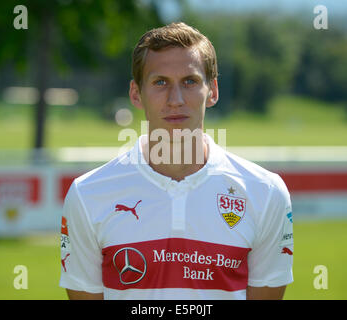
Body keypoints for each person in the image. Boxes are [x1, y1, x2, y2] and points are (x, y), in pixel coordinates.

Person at [59, 22, 293, 300]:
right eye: (160, 83)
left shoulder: (265, 192)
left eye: (190, 81)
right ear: (136, 93)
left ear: (213, 91)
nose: (175, 99)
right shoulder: (88, 195)